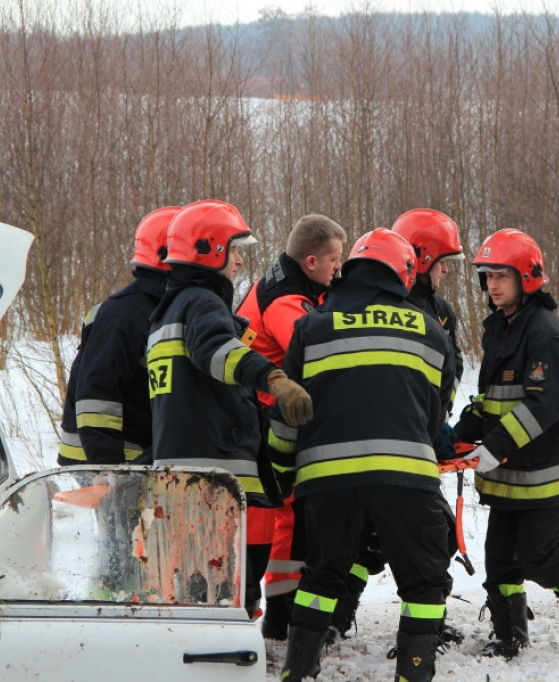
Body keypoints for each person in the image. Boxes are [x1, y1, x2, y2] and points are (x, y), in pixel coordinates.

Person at [270, 229, 456, 682]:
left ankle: (298, 672)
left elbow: (286, 414)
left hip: (325, 481)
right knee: (424, 581)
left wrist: (282, 473)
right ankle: (413, 674)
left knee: (321, 577)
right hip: (405, 477)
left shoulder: (312, 325)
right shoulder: (430, 330)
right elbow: (437, 415)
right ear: (404, 274)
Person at [453, 228, 559, 665]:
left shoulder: (549, 336)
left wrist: (493, 446)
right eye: (488, 275)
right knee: (500, 562)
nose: (492, 284)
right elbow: (495, 398)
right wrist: (458, 434)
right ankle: (509, 636)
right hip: (511, 471)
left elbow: (542, 406)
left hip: (546, 475)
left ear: (526, 278)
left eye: (502, 275)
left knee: (539, 558)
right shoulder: (503, 328)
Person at [145, 199, 313, 616]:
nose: (239, 261)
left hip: (181, 476)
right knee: (224, 595)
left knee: (192, 591)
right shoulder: (202, 302)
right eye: (235, 250)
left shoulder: (167, 311)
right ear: (210, 250)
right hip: (213, 479)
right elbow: (216, 351)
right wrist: (272, 378)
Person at [325, 208, 466, 644]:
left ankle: (344, 620)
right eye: (442, 261)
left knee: (398, 540)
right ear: (421, 259)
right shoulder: (395, 310)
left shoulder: (442, 313)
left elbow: (449, 375)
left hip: (415, 444)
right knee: (411, 540)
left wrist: (440, 425)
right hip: (394, 452)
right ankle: (348, 619)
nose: (445, 271)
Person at [234, 213, 347, 640]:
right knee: (288, 514)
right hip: (265, 418)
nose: (339, 267)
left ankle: (282, 611)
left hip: (265, 414)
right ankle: (282, 616)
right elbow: (314, 353)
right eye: (334, 260)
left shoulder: (288, 282)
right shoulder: (286, 301)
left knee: (288, 513)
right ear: (311, 261)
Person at [58, 206, 179, 466]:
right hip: (107, 461)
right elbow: (96, 395)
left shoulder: (161, 308)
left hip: (137, 458)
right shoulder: (124, 315)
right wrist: (110, 468)